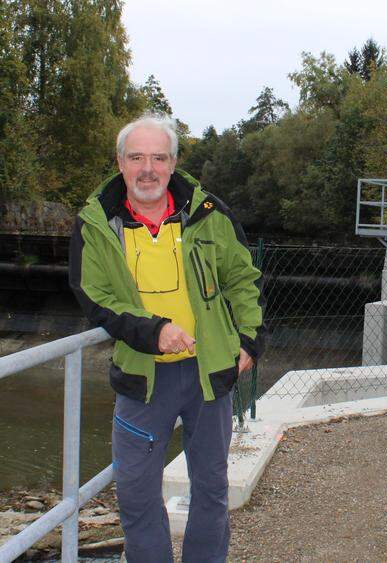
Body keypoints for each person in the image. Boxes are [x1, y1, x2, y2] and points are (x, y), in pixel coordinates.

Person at [68, 112, 264, 562]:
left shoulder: (209, 213)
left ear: (174, 163)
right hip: (143, 378)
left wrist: (249, 339)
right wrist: (151, 331)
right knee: (136, 495)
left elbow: (242, 278)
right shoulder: (97, 223)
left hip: (208, 374)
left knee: (212, 491)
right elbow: (92, 295)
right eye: (137, 157)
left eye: (159, 157)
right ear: (120, 162)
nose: (148, 169)